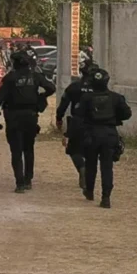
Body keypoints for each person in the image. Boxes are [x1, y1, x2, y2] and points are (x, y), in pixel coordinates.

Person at [0, 51, 56, 193]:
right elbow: (51, 88)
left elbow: (0, 98)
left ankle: (20, 183)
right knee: (28, 149)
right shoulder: (35, 76)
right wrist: (40, 96)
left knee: (16, 150)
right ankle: (28, 180)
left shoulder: (10, 78)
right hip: (31, 116)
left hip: (14, 117)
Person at [78, 68, 132, 208]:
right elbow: (127, 114)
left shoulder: (86, 98)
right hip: (109, 134)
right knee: (107, 167)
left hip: (92, 134)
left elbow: (79, 116)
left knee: (90, 164)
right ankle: (106, 197)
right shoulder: (116, 98)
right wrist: (115, 117)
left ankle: (89, 191)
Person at [55, 59, 97, 190]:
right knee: (92, 151)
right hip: (96, 123)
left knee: (73, 149)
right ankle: (89, 174)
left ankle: (81, 167)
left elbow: (63, 105)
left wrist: (59, 118)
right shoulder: (99, 88)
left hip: (77, 122)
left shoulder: (74, 87)